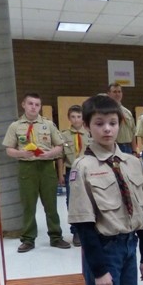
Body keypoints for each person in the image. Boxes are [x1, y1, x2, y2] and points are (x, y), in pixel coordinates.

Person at [67, 94, 143, 285]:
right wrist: (99, 270)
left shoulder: (133, 163)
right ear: (87, 126)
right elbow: (84, 224)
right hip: (104, 252)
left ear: (121, 125)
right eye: (100, 123)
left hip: (129, 249)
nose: (107, 129)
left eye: (113, 123)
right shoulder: (83, 168)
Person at [2, 92, 71, 252]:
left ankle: (55, 237)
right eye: (30, 104)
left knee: (51, 205)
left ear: (40, 107)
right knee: (28, 206)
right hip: (27, 168)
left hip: (47, 167)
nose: (34, 107)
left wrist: (50, 154)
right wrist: (21, 153)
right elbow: (9, 150)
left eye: (37, 104)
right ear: (23, 105)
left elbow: (60, 146)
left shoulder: (48, 125)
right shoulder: (15, 126)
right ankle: (28, 239)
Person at [58, 104, 90, 246]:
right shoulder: (63, 135)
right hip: (72, 171)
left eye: (79, 117)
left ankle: (89, 230)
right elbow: (61, 157)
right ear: (69, 118)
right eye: (73, 117)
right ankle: (75, 231)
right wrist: (60, 174)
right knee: (72, 201)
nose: (76, 120)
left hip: (88, 171)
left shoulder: (90, 134)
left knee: (88, 200)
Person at [107, 82, 137, 154]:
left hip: (128, 147)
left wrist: (134, 151)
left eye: (119, 92)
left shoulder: (127, 112)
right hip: (114, 147)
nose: (117, 94)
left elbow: (132, 132)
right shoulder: (106, 111)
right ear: (109, 94)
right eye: (114, 92)